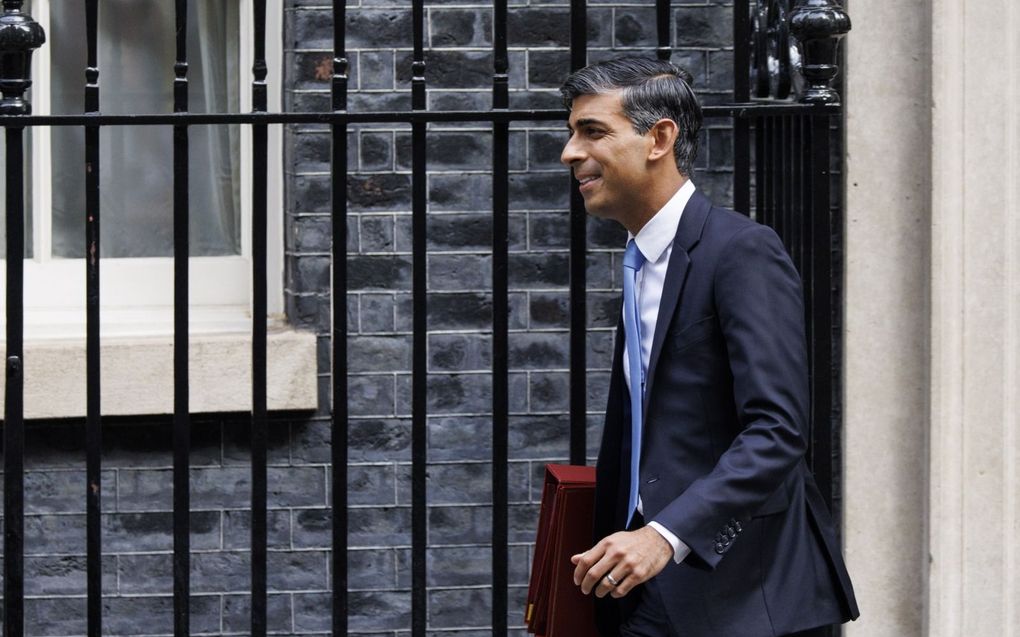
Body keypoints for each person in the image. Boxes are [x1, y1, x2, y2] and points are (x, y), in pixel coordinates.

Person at [560, 56, 859, 637]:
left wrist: (663, 536)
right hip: (645, 592)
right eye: (572, 133)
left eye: (592, 131)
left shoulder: (741, 251)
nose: (570, 152)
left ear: (659, 139)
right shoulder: (638, 261)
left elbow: (777, 430)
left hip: (744, 597)